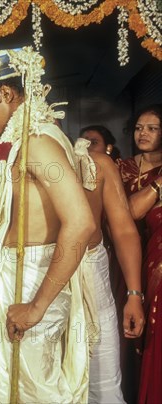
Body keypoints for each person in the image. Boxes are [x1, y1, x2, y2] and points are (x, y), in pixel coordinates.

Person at [0, 48, 96, 402]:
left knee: (32, 392)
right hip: (12, 275)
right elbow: (11, 224)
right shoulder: (16, 145)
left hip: (30, 282)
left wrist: (36, 306)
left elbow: (80, 223)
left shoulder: (39, 144)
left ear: (6, 94)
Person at [79, 140, 144, 402]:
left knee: (103, 382)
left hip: (93, 273)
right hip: (39, 279)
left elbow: (124, 230)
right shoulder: (14, 163)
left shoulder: (99, 164)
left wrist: (134, 294)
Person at [117, 103, 162, 404]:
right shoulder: (121, 167)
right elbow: (126, 213)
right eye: (138, 127)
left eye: (152, 128)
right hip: (122, 256)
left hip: (152, 258)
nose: (142, 133)